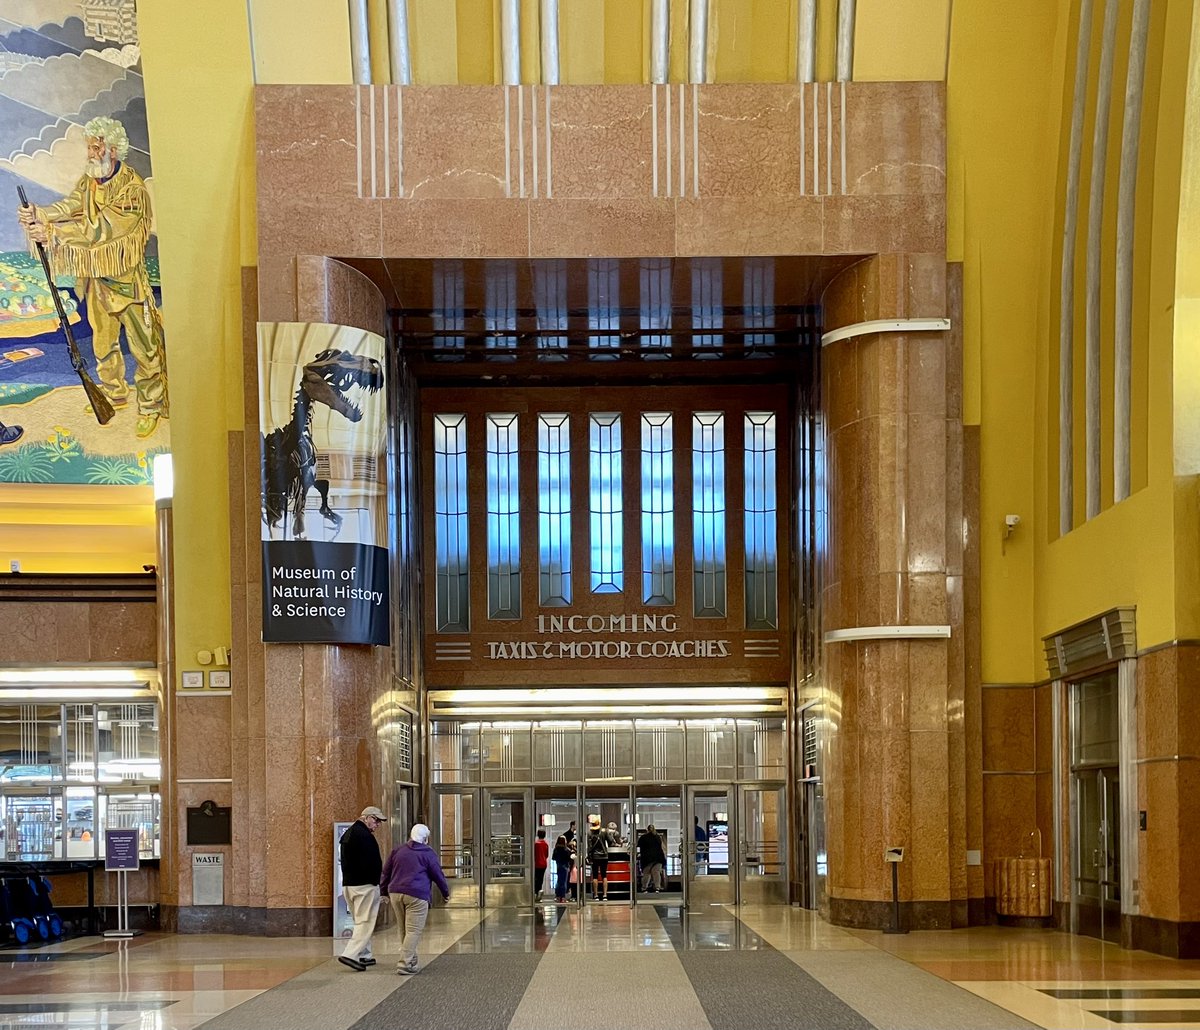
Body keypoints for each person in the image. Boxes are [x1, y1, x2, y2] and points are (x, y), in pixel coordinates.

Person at [17, 116, 168, 439]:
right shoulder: (90, 181)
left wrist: (53, 232)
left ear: (113, 149)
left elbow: (100, 229)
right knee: (103, 346)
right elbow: (73, 206)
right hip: (97, 283)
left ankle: (151, 406)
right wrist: (40, 214)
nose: (90, 152)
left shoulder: (132, 189)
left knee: (145, 351)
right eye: (89, 146)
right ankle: (114, 394)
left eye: (96, 146)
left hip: (129, 287)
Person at [380, 822, 450, 975]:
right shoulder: (427, 853)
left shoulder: (397, 850)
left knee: (403, 928)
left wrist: (383, 891)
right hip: (416, 895)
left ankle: (411, 961)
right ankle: (404, 963)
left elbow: (386, 872)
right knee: (413, 930)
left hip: (395, 893)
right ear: (426, 839)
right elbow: (437, 875)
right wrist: (445, 893)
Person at [337, 805, 386, 971]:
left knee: (359, 920)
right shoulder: (364, 836)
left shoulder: (349, 834)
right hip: (364, 886)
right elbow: (370, 863)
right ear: (366, 818)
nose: (378, 824)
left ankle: (364, 954)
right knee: (365, 922)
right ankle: (350, 954)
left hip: (349, 885)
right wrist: (376, 881)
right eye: (376, 820)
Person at [587, 817, 612, 900]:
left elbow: (589, 847)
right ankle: (605, 895)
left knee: (595, 876)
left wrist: (589, 856)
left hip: (595, 856)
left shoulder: (590, 833)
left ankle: (596, 895)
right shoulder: (604, 832)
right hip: (604, 856)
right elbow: (610, 841)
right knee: (604, 875)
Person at [638, 824, 667, 893]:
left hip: (646, 859)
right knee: (656, 873)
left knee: (646, 874)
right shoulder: (657, 837)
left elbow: (638, 847)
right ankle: (657, 888)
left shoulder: (643, 837)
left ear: (647, 830)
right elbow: (661, 848)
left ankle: (644, 888)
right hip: (658, 858)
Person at [552, 834, 572, 904]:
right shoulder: (566, 850)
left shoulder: (556, 849)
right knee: (564, 882)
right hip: (565, 866)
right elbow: (569, 858)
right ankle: (563, 897)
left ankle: (557, 896)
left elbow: (553, 858)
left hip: (558, 866)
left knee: (559, 881)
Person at [533, 828, 549, 901]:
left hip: (537, 864)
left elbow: (534, 854)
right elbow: (546, 855)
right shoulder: (545, 844)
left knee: (536, 879)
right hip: (543, 864)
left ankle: (535, 893)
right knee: (540, 879)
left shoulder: (536, 844)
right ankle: (539, 892)